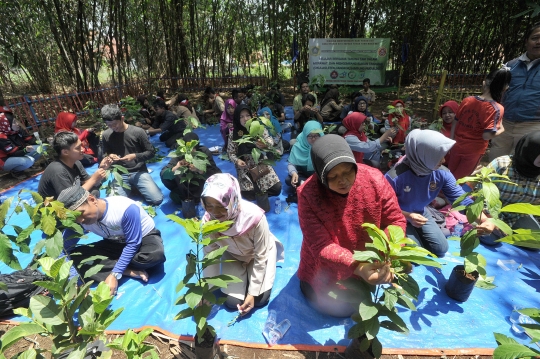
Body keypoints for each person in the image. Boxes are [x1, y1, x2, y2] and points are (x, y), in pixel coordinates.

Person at [296, 134, 406, 317]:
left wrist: (385, 255)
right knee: (340, 309)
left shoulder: (375, 179)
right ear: (322, 175)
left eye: (348, 171)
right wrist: (357, 266)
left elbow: (395, 220)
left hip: (371, 258)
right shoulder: (308, 194)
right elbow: (321, 245)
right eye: (333, 176)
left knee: (360, 304)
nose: (343, 180)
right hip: (328, 265)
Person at [385, 129, 495, 257]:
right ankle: (412, 236)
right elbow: (384, 208)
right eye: (437, 157)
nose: (443, 160)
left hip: (420, 212)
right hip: (397, 215)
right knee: (414, 255)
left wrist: (485, 220)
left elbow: (461, 200)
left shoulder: (441, 173)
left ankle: (415, 234)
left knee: (441, 248)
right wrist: (408, 216)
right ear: (423, 155)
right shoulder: (395, 177)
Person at [57, 185, 166, 295]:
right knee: (74, 256)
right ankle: (127, 270)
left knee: (154, 256)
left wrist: (115, 274)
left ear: (92, 199)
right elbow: (62, 250)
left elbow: (133, 243)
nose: (81, 220)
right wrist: (77, 282)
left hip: (142, 238)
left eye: (81, 213)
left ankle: (113, 266)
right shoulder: (79, 221)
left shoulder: (124, 209)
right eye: (74, 217)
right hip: (114, 242)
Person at [201, 173, 284, 314]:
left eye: (221, 205)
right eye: (209, 206)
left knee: (260, 300)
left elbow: (261, 256)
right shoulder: (209, 222)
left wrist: (252, 293)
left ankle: (250, 283)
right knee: (233, 303)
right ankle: (243, 277)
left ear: (232, 199)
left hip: (257, 254)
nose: (215, 212)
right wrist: (205, 290)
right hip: (233, 255)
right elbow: (210, 254)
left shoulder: (254, 217)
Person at [446, 68, 511, 180]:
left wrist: (451, 140)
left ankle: (441, 194)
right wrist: (501, 129)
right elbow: (486, 136)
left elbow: (455, 121)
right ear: (505, 88)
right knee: (461, 178)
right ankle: (451, 196)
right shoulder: (496, 109)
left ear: (484, 83)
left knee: (450, 172)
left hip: (457, 144)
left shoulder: (467, 100)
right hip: (473, 150)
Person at [489, 22, 540, 161]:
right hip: (505, 122)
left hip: (534, 126)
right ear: (526, 41)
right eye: (535, 38)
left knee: (524, 164)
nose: (538, 42)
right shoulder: (511, 65)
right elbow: (495, 90)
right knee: (495, 160)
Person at [481, 131, 540, 244]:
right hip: (492, 213)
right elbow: (481, 195)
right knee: (490, 239)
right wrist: (492, 220)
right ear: (531, 150)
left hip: (518, 217)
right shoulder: (501, 165)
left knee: (535, 243)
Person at [101, 104, 163, 206]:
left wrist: (135, 156)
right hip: (120, 174)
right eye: (109, 125)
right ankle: (132, 187)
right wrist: (110, 156)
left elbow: (151, 152)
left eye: (115, 124)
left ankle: (135, 186)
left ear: (122, 118)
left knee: (157, 199)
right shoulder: (106, 135)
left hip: (139, 171)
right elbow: (105, 154)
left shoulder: (138, 132)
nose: (113, 127)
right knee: (113, 204)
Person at [228, 104, 282, 201]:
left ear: (252, 116)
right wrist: (237, 161)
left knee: (277, 189)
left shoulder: (258, 127)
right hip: (245, 169)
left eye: (247, 115)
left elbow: (270, 141)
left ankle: (261, 191)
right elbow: (230, 153)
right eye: (241, 116)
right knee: (248, 195)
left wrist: (265, 145)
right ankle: (258, 191)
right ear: (237, 118)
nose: (245, 119)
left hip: (261, 165)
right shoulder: (234, 134)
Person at [38, 132, 108, 199]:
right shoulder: (57, 170)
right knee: (90, 195)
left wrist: (102, 168)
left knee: (94, 191)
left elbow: (87, 181)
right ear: (65, 152)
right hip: (57, 208)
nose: (83, 149)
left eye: (81, 146)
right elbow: (70, 199)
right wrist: (93, 179)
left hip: (71, 197)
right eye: (78, 148)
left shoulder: (76, 162)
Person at [160, 132, 221, 204]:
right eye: (189, 148)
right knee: (174, 196)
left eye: (194, 147)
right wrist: (176, 168)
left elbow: (216, 173)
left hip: (202, 185)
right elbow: (163, 174)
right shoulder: (179, 154)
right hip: (185, 188)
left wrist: (200, 170)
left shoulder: (203, 152)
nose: (192, 150)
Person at [0, 109, 41, 179]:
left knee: (41, 148)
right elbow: (13, 153)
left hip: (19, 153)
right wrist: (25, 150)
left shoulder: (17, 130)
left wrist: (46, 140)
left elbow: (30, 140)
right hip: (5, 160)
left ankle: (27, 166)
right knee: (28, 161)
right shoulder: (1, 137)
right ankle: (16, 171)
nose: (18, 124)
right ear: (7, 124)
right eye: (14, 122)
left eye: (16, 121)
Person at [287, 121, 323, 188]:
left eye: (316, 135)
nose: (313, 139)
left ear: (320, 135)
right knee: (289, 179)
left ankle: (306, 185)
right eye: (310, 136)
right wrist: (294, 173)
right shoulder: (298, 146)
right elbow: (291, 164)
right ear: (305, 135)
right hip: (303, 174)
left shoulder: (325, 146)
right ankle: (310, 186)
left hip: (319, 176)